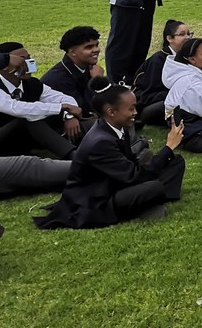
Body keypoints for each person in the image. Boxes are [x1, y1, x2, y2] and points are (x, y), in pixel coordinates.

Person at [34, 78, 185, 228]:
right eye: (131, 109)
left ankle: (151, 200)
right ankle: (147, 202)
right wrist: (168, 147)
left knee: (175, 162)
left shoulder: (117, 127)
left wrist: (164, 155)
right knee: (154, 186)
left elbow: (131, 166)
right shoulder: (101, 142)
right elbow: (134, 176)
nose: (136, 112)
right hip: (98, 199)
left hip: (117, 181)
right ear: (111, 112)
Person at [0, 43, 86, 159]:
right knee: (28, 119)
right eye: (22, 60)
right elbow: (17, 109)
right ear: (5, 66)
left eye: (29, 58)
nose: (30, 63)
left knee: (74, 121)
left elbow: (64, 98)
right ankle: (73, 156)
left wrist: (68, 116)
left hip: (25, 140)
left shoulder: (33, 84)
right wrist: (61, 108)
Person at [132, 19, 192, 126]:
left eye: (189, 34)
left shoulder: (187, 57)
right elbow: (146, 96)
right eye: (182, 34)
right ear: (169, 38)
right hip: (149, 106)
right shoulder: (158, 60)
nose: (187, 37)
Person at [41, 26, 105, 115]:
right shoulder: (59, 79)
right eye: (89, 47)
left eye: (96, 45)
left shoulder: (88, 68)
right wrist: (97, 81)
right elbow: (85, 110)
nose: (96, 50)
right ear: (73, 52)